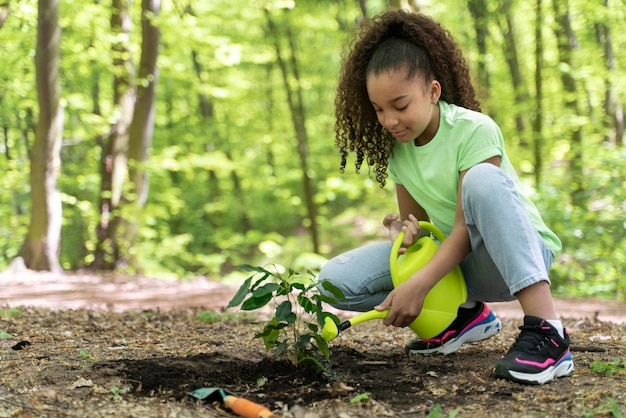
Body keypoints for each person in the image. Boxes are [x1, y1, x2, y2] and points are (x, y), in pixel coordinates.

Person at [318, 9, 574, 385]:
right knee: (335, 281)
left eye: (400, 106)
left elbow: (464, 229)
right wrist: (403, 234)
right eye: (379, 110)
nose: (389, 120)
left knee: (482, 180)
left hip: (513, 257)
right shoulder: (398, 151)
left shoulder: (474, 130)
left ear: (433, 91)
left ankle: (549, 333)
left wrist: (419, 286)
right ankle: (463, 315)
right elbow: (423, 231)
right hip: (459, 267)